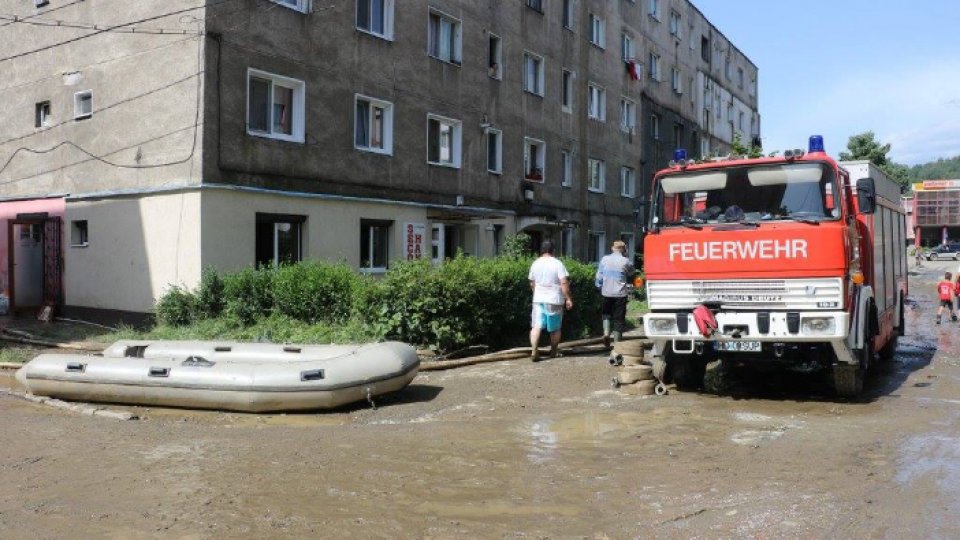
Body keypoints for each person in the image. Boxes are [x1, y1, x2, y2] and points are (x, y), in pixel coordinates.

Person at [528, 240, 573, 361]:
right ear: (553, 251)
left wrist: (536, 294)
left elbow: (532, 282)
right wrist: (568, 298)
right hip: (554, 299)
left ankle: (534, 351)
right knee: (555, 328)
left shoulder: (535, 263)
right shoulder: (557, 263)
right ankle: (553, 351)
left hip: (538, 299)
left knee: (536, 326)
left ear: (541, 251)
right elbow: (563, 282)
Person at [595, 240, 636, 347]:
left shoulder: (604, 259)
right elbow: (632, 273)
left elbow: (598, 277)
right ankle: (617, 345)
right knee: (619, 319)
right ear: (623, 250)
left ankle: (606, 333)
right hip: (620, 294)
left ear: (613, 248)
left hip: (606, 292)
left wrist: (599, 287)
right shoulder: (626, 261)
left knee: (606, 314)